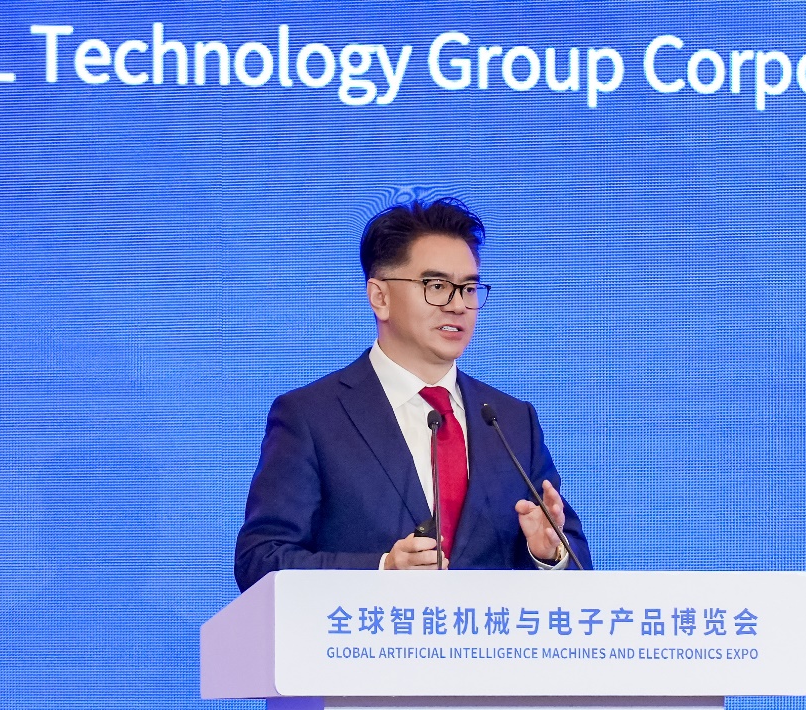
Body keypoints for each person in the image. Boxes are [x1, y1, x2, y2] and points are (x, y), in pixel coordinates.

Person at [234, 198, 591, 591]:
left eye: (469, 288)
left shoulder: (510, 421)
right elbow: (260, 560)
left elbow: (576, 563)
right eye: (437, 286)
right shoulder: (312, 416)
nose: (458, 305)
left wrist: (548, 555)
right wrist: (382, 570)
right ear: (380, 297)